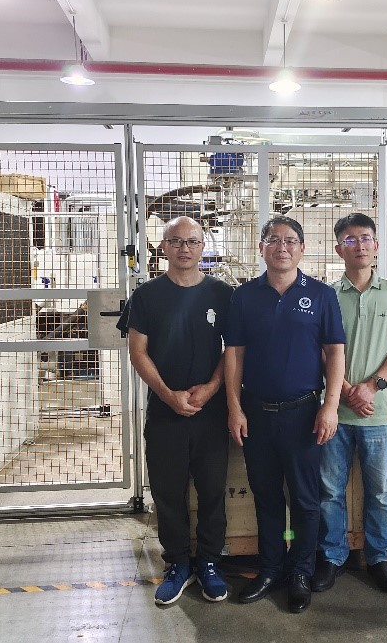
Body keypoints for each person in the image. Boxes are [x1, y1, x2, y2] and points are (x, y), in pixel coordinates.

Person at [224, 215, 345, 614]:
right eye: (273, 240)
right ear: (261, 248)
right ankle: (271, 569)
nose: (282, 247)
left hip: (303, 415)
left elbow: (335, 353)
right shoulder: (244, 296)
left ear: (302, 248)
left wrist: (330, 406)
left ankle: (301, 573)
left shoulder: (322, 296)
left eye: (290, 240)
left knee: (306, 500)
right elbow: (234, 355)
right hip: (256, 414)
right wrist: (235, 408)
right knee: (267, 497)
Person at [124, 216, 234, 606]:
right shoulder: (146, 296)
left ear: (203, 247)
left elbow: (233, 350)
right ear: (163, 246)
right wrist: (169, 395)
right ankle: (178, 564)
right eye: (176, 241)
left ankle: (209, 562)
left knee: (212, 490)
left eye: (192, 242)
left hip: (210, 413)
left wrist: (213, 386)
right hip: (165, 413)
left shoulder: (222, 294)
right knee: (168, 492)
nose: (184, 248)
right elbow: (138, 353)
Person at [312, 212, 387, 596]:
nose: (359, 245)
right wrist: (343, 390)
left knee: (378, 494)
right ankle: (332, 557)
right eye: (350, 239)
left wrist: (372, 387)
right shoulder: (326, 296)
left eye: (366, 238)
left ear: (377, 245)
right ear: (339, 248)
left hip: (379, 412)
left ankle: (378, 558)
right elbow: (321, 349)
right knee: (330, 491)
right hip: (335, 413)